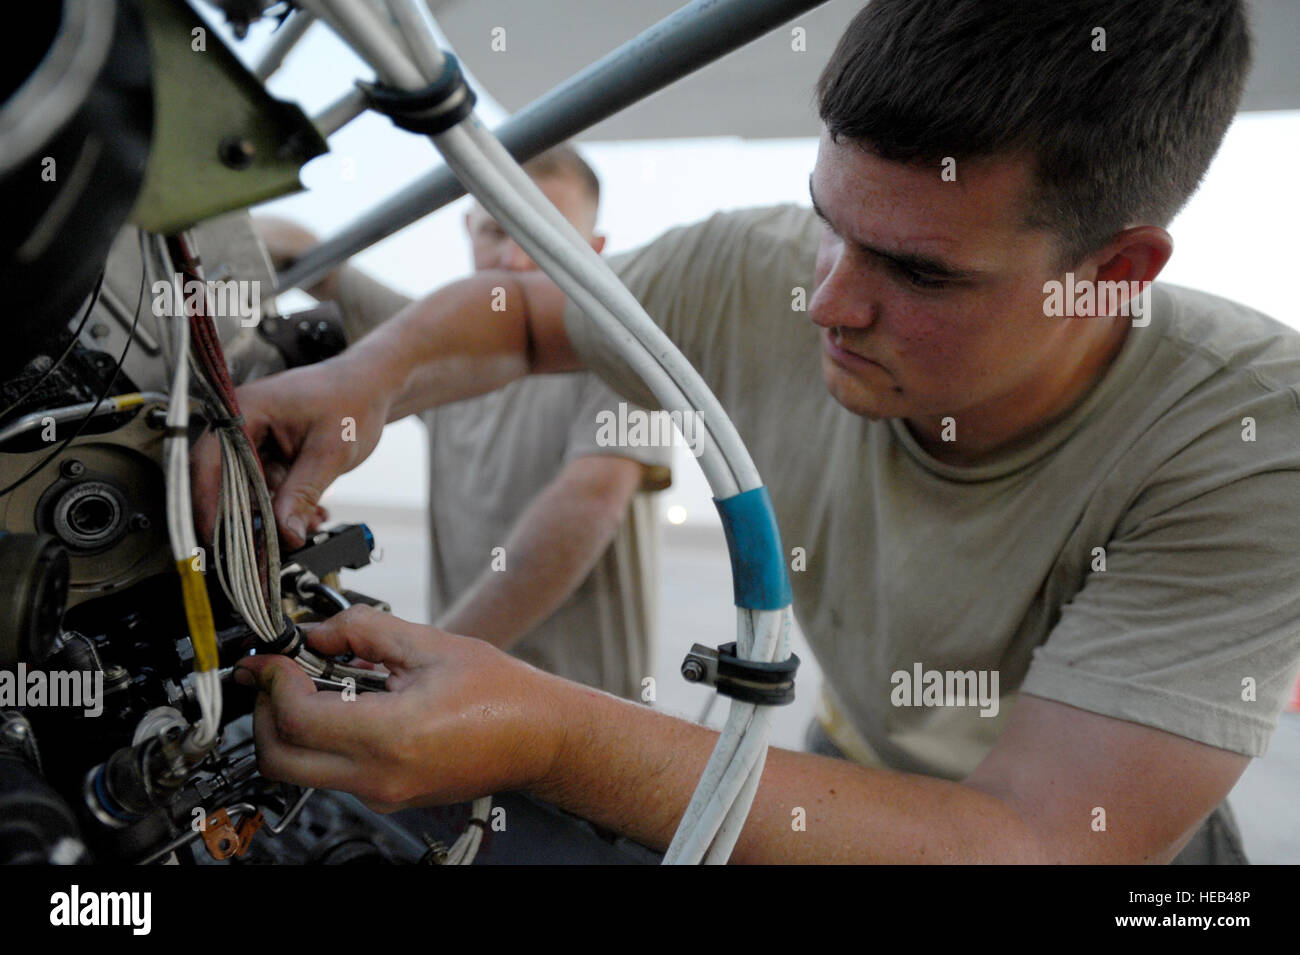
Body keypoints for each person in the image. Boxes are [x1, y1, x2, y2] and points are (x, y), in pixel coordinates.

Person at [210, 0, 1300, 863]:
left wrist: (551, 730)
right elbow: (524, 316)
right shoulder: (756, 268)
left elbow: (1033, 840)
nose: (827, 301)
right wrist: (366, 374)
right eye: (829, 222)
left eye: (919, 271)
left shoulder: (1251, 437)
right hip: (847, 763)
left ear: (1115, 273)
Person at [256, 146, 671, 701]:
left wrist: (433, 654)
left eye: (544, 235)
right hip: (452, 708)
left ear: (594, 251)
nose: (514, 260)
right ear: (467, 230)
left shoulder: (624, 352)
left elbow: (588, 504)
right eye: (496, 231)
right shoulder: (439, 353)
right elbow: (302, 249)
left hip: (585, 717)